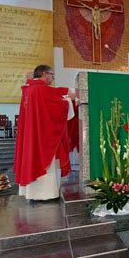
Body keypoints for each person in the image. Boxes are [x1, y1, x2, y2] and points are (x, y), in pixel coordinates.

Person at [14, 65, 76, 200]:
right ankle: (46, 194)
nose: (53, 78)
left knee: (31, 158)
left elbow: (53, 97)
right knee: (46, 163)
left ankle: (32, 193)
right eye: (52, 74)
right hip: (43, 137)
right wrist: (68, 101)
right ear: (43, 74)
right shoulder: (40, 89)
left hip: (32, 136)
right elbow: (56, 107)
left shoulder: (28, 89)